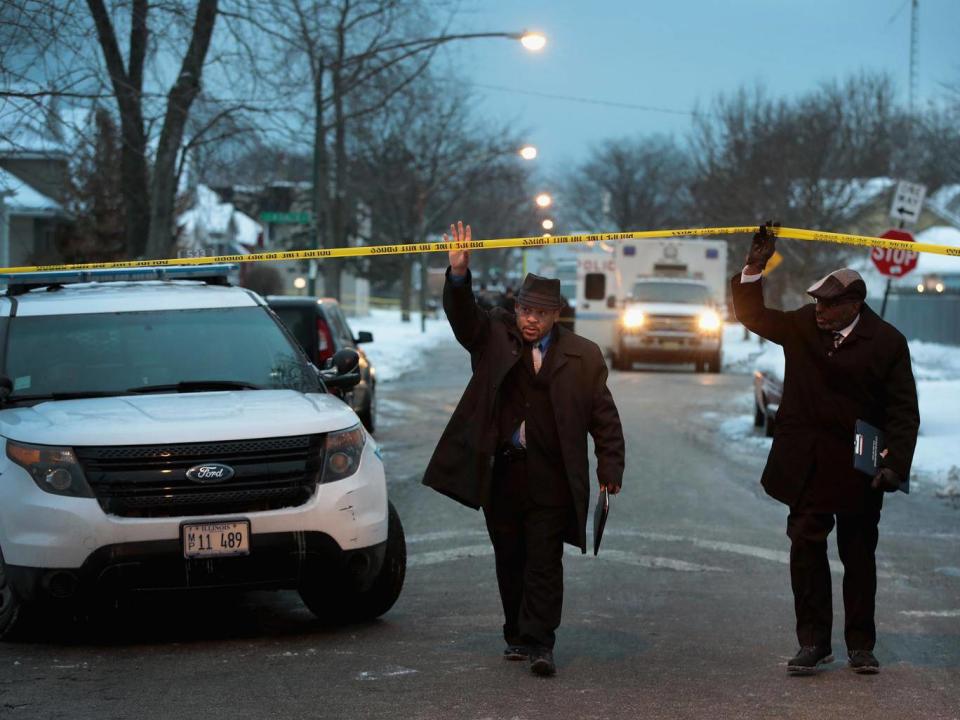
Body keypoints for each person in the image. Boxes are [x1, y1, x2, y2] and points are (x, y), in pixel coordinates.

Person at [423, 221, 625, 677]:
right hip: (504, 473)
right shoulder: (495, 338)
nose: (530, 319)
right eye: (524, 309)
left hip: (552, 475)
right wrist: (458, 275)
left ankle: (541, 643)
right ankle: (516, 631)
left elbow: (604, 417)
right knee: (510, 557)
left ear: (557, 316)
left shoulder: (584, 356)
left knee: (544, 560)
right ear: (515, 309)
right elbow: (464, 318)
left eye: (540, 312)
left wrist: (610, 466)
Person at [731, 222, 920, 676]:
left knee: (858, 555)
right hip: (807, 464)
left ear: (854, 306)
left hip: (858, 465)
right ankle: (814, 642)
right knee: (806, 550)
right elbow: (753, 317)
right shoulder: (801, 325)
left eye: (830, 305)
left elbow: (903, 410)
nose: (820, 310)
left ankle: (860, 645)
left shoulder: (888, 342)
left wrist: (896, 464)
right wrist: (755, 267)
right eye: (817, 301)